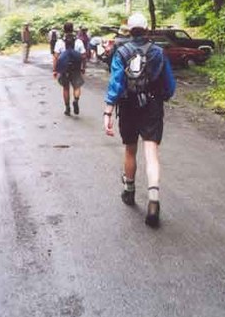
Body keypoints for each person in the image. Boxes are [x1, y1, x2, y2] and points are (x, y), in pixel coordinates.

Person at [103, 12, 176, 228]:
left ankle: (129, 190)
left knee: (130, 150)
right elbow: (170, 86)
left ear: (129, 30)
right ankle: (153, 200)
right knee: (151, 153)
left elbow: (116, 83)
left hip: (128, 106)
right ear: (146, 29)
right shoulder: (158, 52)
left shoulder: (121, 51)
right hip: (152, 106)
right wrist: (162, 96)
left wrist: (108, 111)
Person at [54, 22, 86, 116]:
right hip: (76, 68)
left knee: (66, 88)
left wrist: (55, 70)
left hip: (64, 69)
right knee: (77, 87)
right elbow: (84, 56)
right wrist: (83, 67)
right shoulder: (79, 41)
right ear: (72, 29)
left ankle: (67, 108)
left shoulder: (60, 42)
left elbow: (56, 57)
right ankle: (76, 100)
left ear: (64, 30)